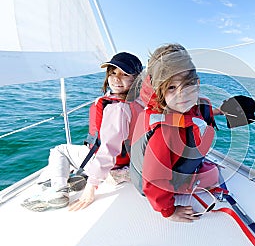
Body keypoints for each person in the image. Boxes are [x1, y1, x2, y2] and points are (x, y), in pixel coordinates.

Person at [21, 52, 144, 212]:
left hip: (114, 168)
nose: (116, 78)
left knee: (60, 150)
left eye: (124, 74)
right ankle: (76, 174)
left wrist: (91, 188)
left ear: (136, 79)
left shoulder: (118, 108)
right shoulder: (139, 101)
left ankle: (59, 191)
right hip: (128, 162)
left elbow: (108, 151)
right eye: (113, 72)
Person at [130, 44, 220, 222]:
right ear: (159, 92)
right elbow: (154, 178)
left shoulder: (185, 108)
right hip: (156, 186)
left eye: (188, 84)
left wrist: (221, 111)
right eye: (171, 87)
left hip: (173, 168)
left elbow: (195, 115)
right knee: (212, 177)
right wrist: (169, 211)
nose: (182, 94)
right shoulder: (165, 131)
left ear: (197, 82)